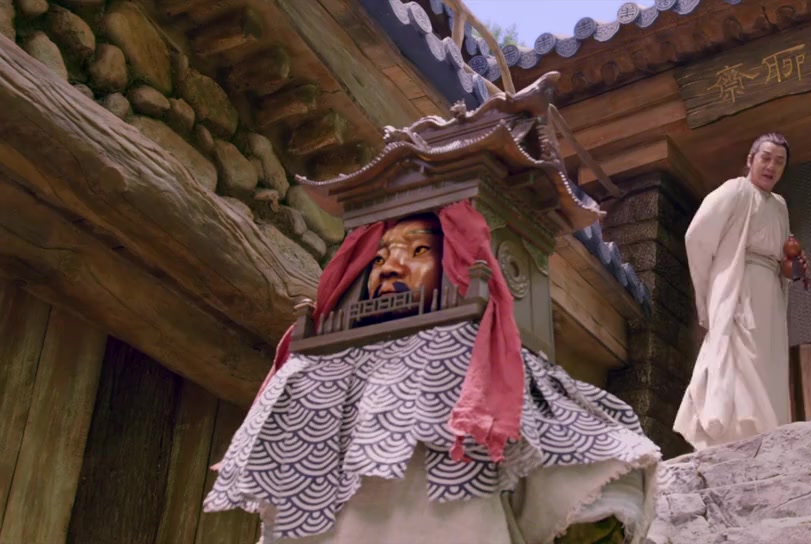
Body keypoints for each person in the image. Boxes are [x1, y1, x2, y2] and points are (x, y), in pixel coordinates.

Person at [203, 202, 661, 544]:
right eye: (379, 258)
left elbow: (590, 467)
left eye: (419, 250)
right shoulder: (316, 371)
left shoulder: (484, 363)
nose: (390, 268)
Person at [674, 133, 808, 451]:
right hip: (739, 285)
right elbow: (696, 236)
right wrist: (715, 283)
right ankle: (732, 433)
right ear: (750, 160)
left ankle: (766, 432)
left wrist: (793, 268)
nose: (771, 166)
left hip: (770, 292)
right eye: (766, 158)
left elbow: (782, 258)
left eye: (779, 162)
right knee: (736, 355)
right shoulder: (735, 191)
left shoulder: (780, 206)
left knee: (767, 359)